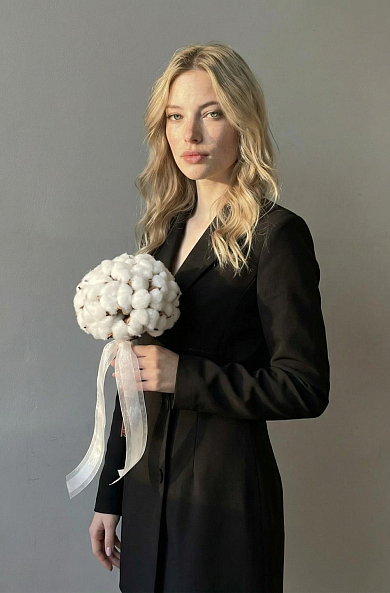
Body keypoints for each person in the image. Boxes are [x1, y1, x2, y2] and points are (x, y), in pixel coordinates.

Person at [88, 42, 330, 593]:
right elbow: (133, 382)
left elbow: (305, 386)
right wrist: (110, 495)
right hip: (147, 498)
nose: (190, 135)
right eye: (176, 116)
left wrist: (185, 376)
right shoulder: (161, 239)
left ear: (243, 121)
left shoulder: (277, 236)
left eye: (211, 113)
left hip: (224, 502)